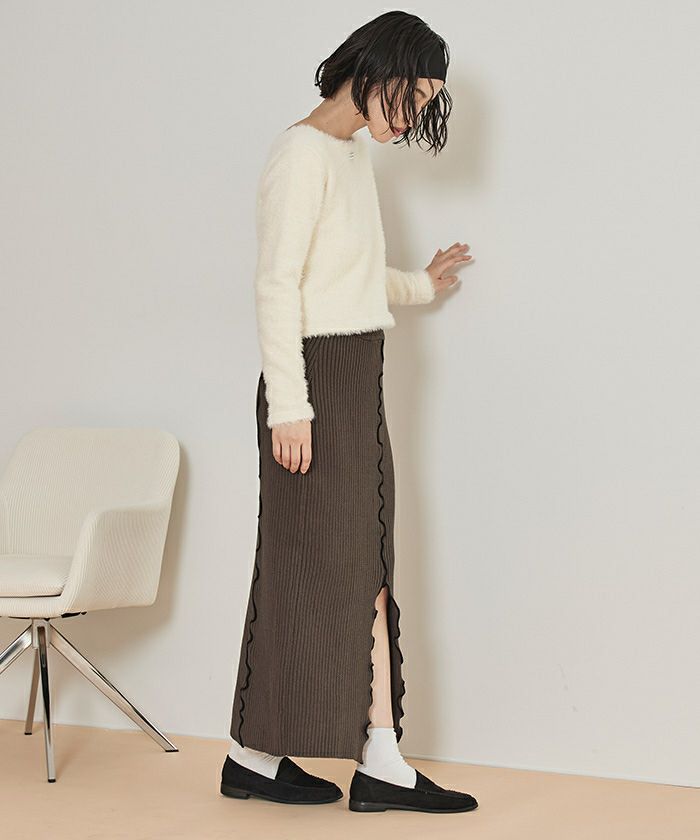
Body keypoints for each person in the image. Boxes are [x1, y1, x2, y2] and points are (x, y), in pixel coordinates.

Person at [221, 11, 478, 814]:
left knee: (334, 566)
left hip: (355, 375)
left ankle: (255, 754)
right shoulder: (300, 154)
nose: (411, 119)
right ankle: (378, 760)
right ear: (374, 71)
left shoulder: (349, 153)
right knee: (344, 570)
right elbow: (277, 286)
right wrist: (290, 407)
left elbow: (348, 278)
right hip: (314, 384)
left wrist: (421, 283)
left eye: (425, 105)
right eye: (411, 98)